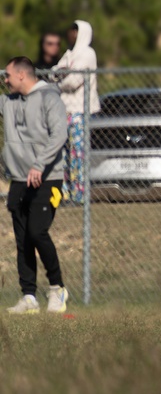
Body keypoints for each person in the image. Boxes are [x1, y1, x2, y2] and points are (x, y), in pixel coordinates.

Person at [2, 57, 70, 314]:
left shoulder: (49, 99)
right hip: (19, 180)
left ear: (21, 75)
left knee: (37, 232)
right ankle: (29, 297)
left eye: (7, 76)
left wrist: (40, 164)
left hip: (47, 179)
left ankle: (57, 288)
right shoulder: (8, 102)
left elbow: (59, 134)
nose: (5, 80)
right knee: (22, 240)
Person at [53, 20, 100, 204]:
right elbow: (53, 72)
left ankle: (79, 195)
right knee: (62, 153)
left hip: (80, 110)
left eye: (75, 30)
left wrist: (59, 80)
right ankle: (65, 193)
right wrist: (61, 74)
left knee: (77, 153)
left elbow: (73, 81)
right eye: (70, 29)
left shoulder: (87, 54)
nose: (70, 33)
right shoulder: (69, 53)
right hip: (64, 110)